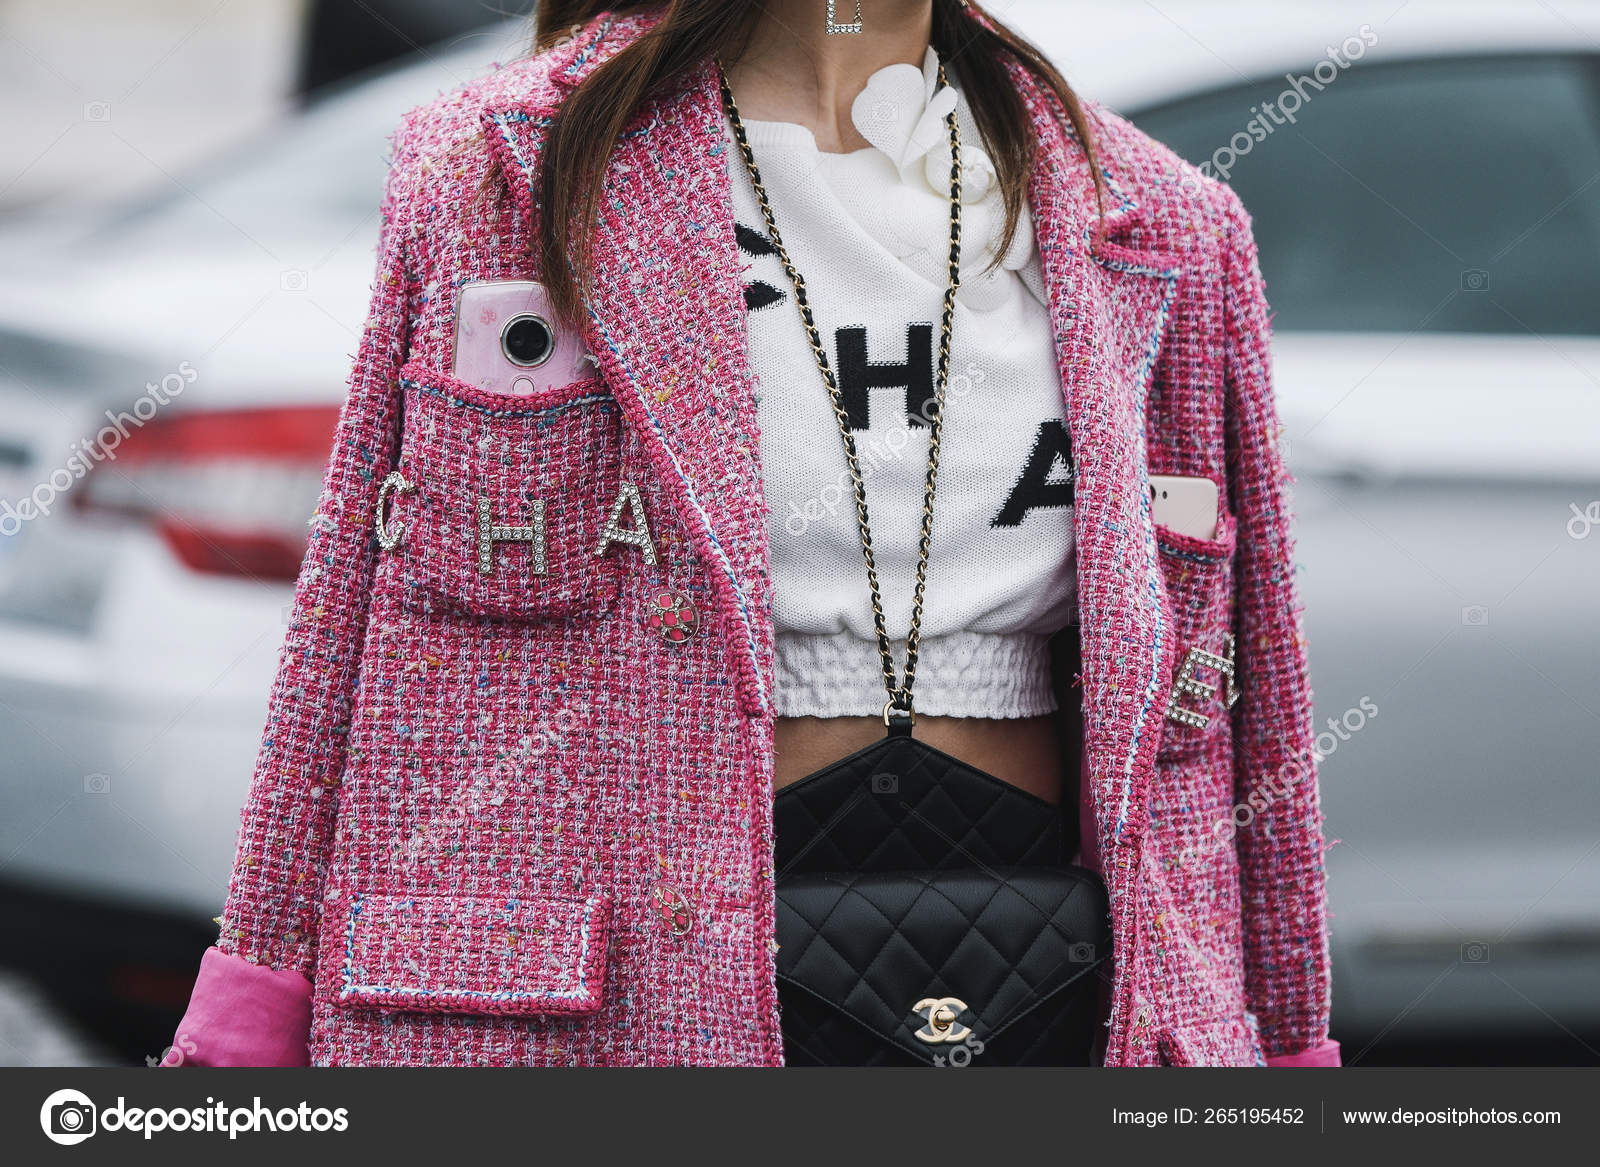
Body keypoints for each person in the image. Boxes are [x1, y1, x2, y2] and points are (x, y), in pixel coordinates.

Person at [167, 0, 1338, 1068]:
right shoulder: (497, 170)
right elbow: (348, 620)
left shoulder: (1162, 223)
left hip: (1052, 981)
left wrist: (1283, 1050)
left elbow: (1250, 697)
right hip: (596, 990)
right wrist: (253, 1004)